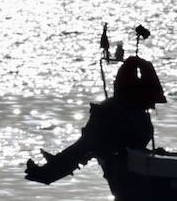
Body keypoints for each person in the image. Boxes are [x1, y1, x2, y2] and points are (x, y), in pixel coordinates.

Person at [24, 55, 166, 185]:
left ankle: (51, 170)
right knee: (84, 148)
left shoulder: (125, 109)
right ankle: (52, 168)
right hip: (115, 135)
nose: (152, 106)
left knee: (84, 147)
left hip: (116, 137)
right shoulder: (123, 108)